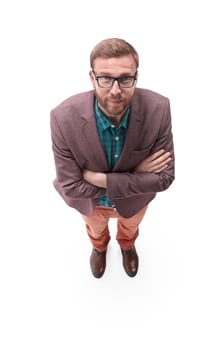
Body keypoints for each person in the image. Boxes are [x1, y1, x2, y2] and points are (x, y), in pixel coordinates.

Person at [50, 38, 175, 278]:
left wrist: (99, 179)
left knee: (130, 228)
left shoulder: (159, 109)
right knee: (95, 231)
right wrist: (137, 173)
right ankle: (99, 247)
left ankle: (127, 246)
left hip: (135, 201)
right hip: (92, 205)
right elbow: (70, 185)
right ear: (91, 78)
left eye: (125, 79)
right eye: (105, 78)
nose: (115, 90)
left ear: (135, 77)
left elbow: (165, 178)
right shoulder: (62, 118)